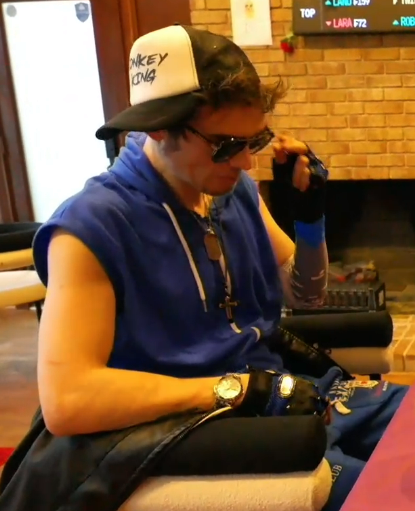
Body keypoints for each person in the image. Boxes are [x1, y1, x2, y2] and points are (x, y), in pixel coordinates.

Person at [31, 25, 406, 511]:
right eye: (227, 144)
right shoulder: (90, 226)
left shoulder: (233, 192)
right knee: (393, 497)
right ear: (159, 127)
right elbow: (67, 401)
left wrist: (310, 218)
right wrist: (236, 390)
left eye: (256, 140)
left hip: (293, 396)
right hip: (209, 429)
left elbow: (306, 294)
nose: (247, 162)